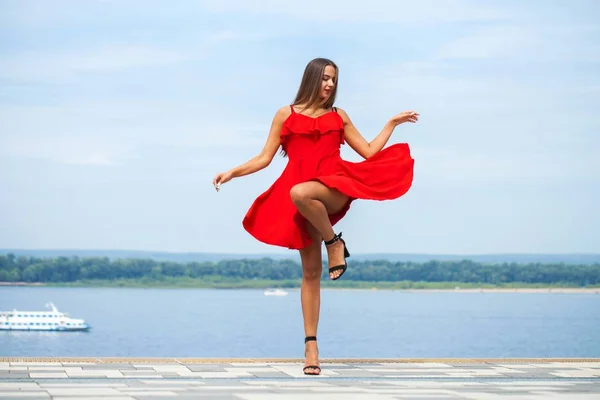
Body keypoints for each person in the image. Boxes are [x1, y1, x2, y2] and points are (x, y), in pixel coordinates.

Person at [212, 57, 417, 375]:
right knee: (310, 274)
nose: (330, 85)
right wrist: (232, 172)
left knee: (300, 193)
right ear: (311, 79)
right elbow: (265, 158)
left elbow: (368, 151)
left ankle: (334, 242)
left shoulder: (338, 117)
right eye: (324, 79)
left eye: (334, 80)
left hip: (333, 186)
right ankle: (311, 349)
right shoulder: (286, 115)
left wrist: (391, 123)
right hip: (302, 201)